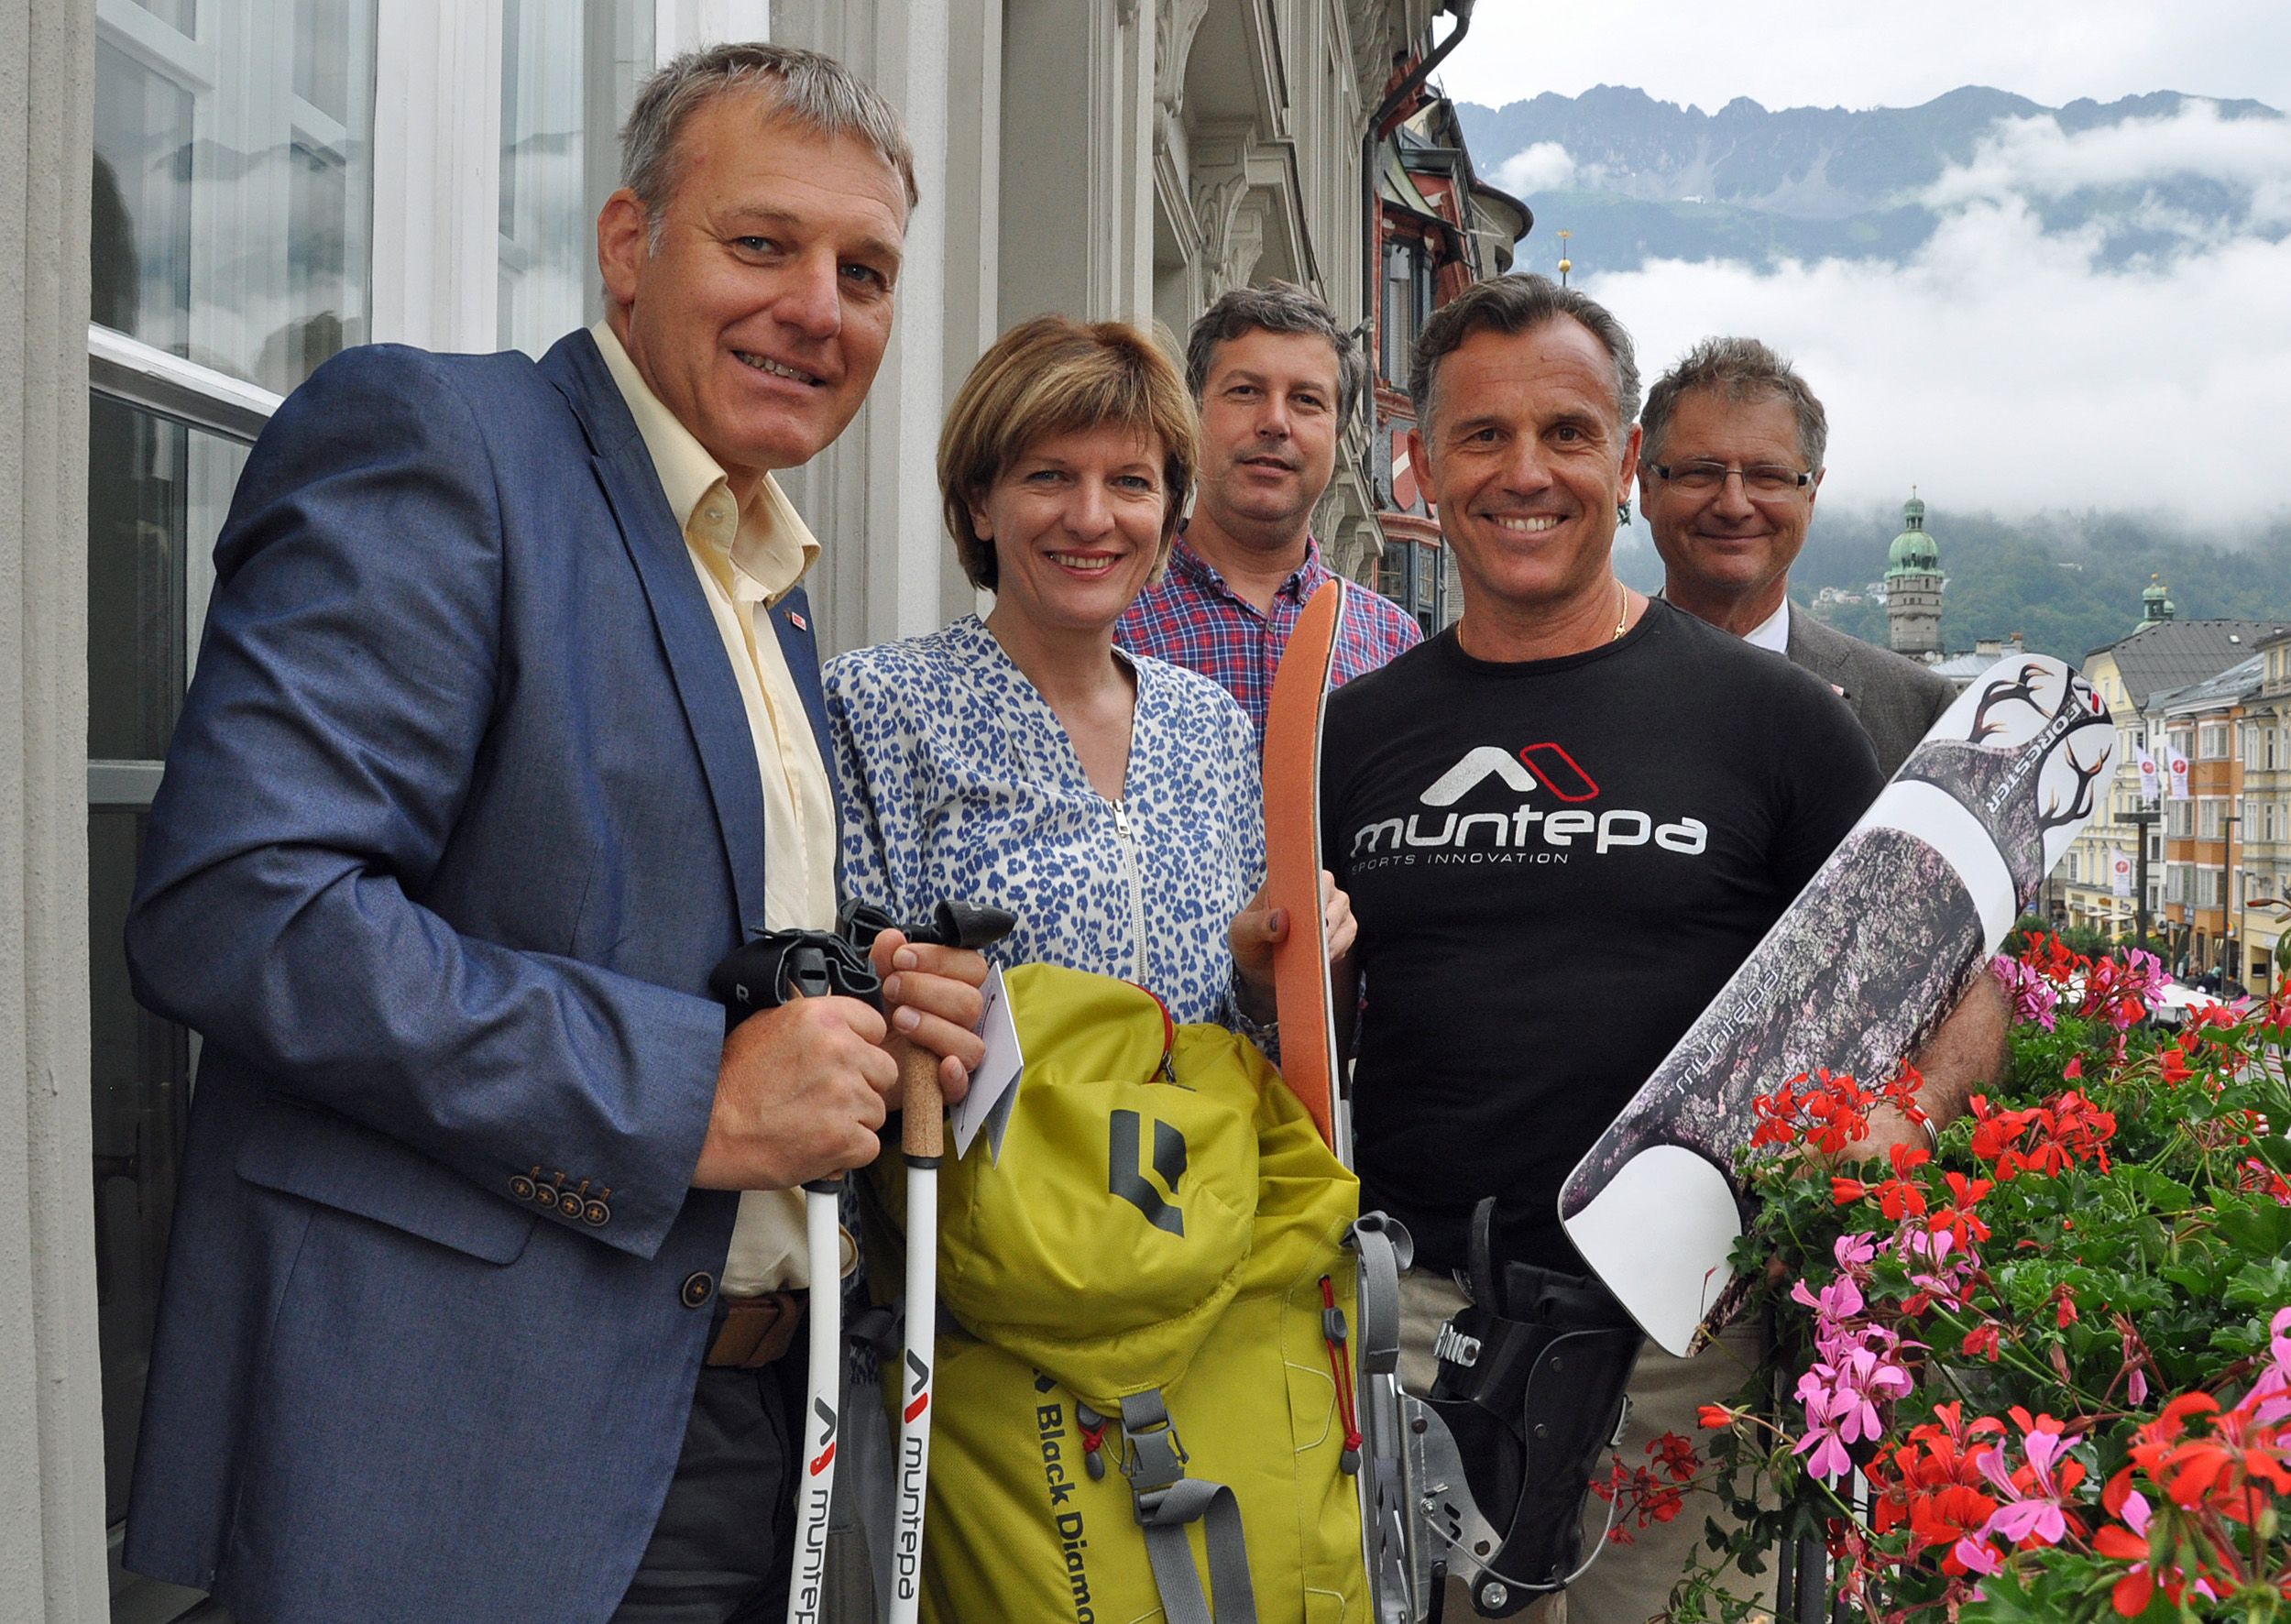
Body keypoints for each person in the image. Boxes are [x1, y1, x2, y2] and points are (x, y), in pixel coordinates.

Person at [118, 45, 988, 1624]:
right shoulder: (440, 439)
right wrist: (692, 1095)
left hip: (739, 1431)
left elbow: (619, 909)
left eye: (864, 271)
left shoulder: (755, 570)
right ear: (626, 243)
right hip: (471, 1455)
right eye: (762, 243)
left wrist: (870, 995)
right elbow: (246, 906)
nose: (820, 306)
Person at [1321, 275, 1927, 1621]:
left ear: (1624, 463)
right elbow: (1317, 1020)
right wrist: (1275, 974)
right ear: (1420, 464)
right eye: (1481, 437)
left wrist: (1906, 1111)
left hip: (1685, 1350)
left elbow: (1957, 983)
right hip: (1417, 1328)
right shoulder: (1354, 733)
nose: (1523, 474)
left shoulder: (1777, 723)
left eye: (1567, 433)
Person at [828, 314, 1351, 1030]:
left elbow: (1243, 1039)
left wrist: (1265, 980)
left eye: (1131, 483)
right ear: (981, 502)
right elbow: (845, 1011)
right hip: (984, 1145)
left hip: (1197, 1143)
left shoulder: (1209, 726)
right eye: (1050, 476)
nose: (1091, 517)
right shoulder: (877, 705)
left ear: (1168, 519)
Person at [1637, 335, 1957, 779]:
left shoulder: (1918, 711)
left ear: (1811, 494)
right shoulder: (1576, 686)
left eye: (1769, 476)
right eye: (1699, 473)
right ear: (1645, 487)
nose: (1734, 505)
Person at [1117, 282, 1420, 734]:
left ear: (1337, 438)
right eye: (1245, 391)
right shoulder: (1113, 613)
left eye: (1306, 400)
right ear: (1191, 414)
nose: (1275, 422)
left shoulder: (1391, 642)